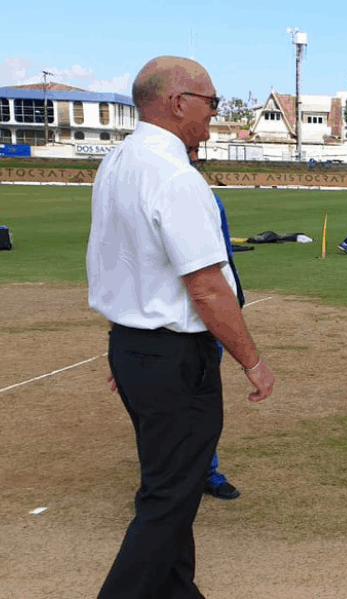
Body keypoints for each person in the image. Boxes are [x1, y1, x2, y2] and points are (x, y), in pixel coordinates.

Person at [87, 56, 275, 598]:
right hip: (173, 357)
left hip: (135, 347)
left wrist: (128, 346)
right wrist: (253, 362)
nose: (214, 113)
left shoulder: (117, 162)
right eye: (210, 102)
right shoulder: (175, 177)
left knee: (172, 484)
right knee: (169, 498)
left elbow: (118, 263)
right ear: (177, 102)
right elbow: (208, 288)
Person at [189, 147, 244, 501]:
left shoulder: (212, 202)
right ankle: (166, 478)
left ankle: (206, 471)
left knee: (204, 401)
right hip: (165, 323)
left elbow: (222, 261)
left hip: (207, 321)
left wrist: (233, 304)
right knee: (166, 407)